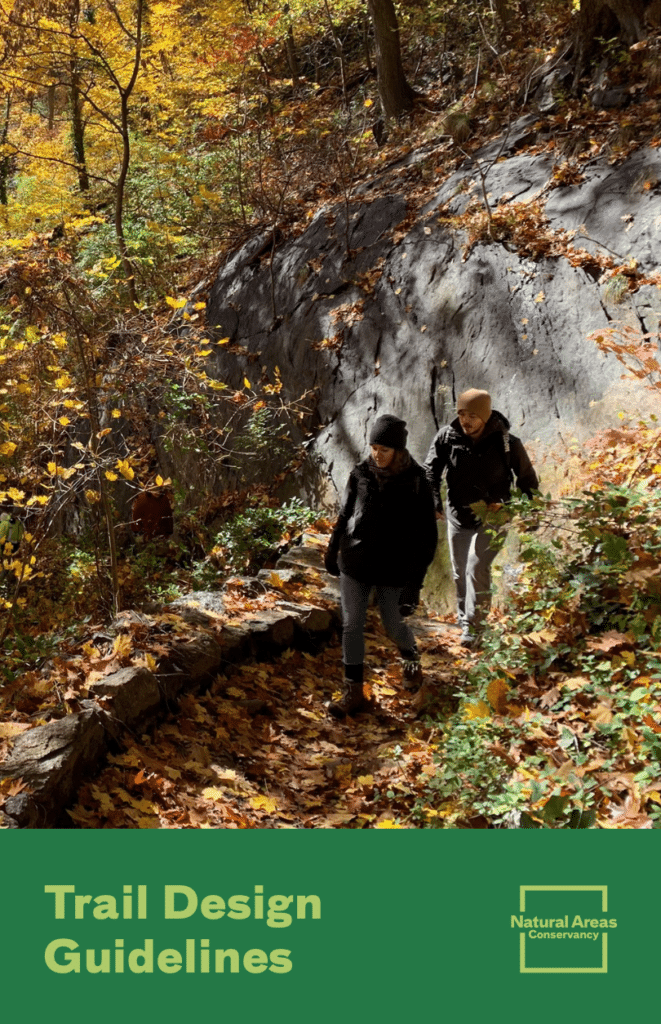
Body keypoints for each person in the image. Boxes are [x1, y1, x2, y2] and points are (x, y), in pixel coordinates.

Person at [324, 414, 438, 718]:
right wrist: (333, 547)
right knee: (352, 624)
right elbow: (345, 513)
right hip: (356, 562)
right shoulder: (360, 474)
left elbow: (427, 537)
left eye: (384, 449)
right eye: (373, 447)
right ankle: (353, 691)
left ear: (398, 450)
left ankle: (411, 659)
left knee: (393, 625)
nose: (377, 454)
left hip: (394, 568)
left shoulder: (417, 481)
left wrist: (414, 583)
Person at [424, 388, 538, 648]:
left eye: (472, 415)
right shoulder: (447, 437)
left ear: (485, 416)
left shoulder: (507, 442)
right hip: (458, 514)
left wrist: (529, 512)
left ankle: (476, 628)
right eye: (461, 413)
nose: (466, 420)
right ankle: (466, 621)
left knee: (476, 566)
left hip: (495, 515)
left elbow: (527, 479)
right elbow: (429, 472)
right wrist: (433, 502)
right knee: (459, 571)